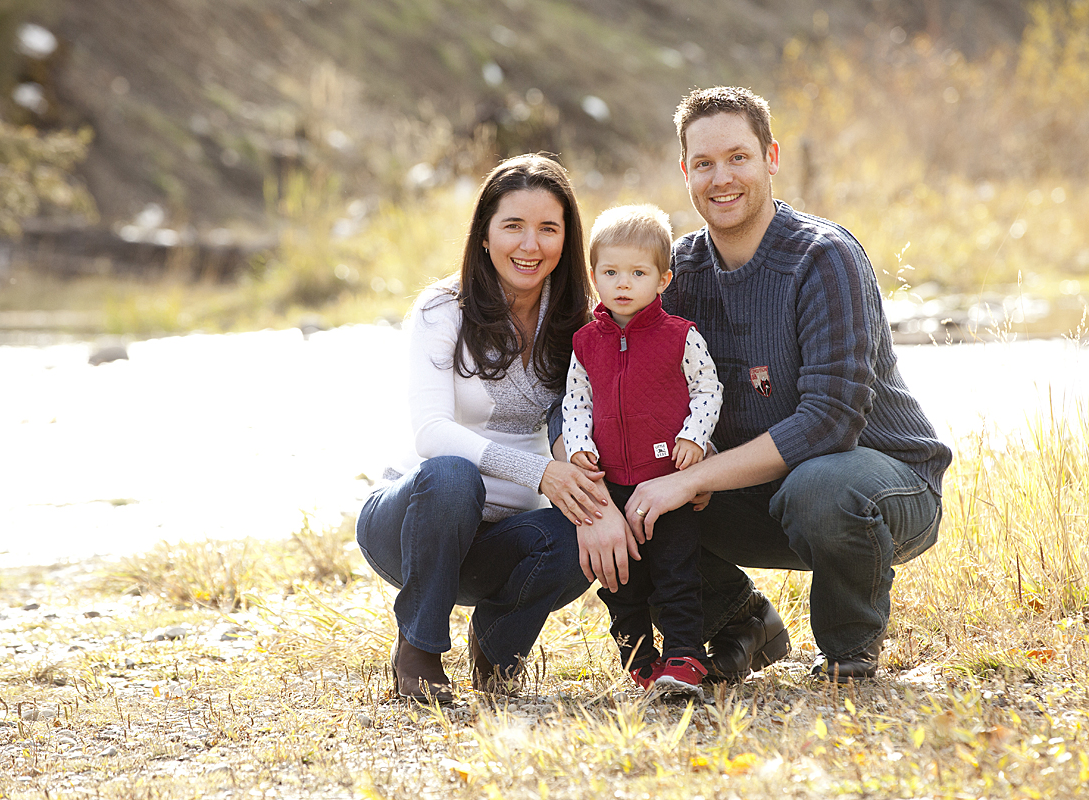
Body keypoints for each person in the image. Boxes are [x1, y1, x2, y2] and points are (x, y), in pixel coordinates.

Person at [610, 86, 952, 682]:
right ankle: (740, 622)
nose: (722, 178)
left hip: (879, 484)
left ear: (771, 157)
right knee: (632, 493)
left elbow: (829, 422)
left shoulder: (824, 259)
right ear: (685, 171)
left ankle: (849, 651)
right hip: (758, 493)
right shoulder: (676, 274)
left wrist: (690, 478)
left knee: (822, 485)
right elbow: (609, 374)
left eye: (738, 157)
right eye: (705, 163)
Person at [356, 153, 614, 703]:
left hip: (504, 538)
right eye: (513, 226)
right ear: (484, 235)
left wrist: (593, 495)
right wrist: (541, 473)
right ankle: (419, 651)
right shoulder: (441, 309)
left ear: (567, 240)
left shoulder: (579, 322)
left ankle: (497, 651)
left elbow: (581, 423)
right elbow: (431, 432)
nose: (530, 244)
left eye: (548, 228)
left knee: (584, 531)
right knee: (452, 475)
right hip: (414, 522)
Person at [561, 205, 722, 697]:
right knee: (620, 580)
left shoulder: (680, 336)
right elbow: (576, 401)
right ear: (594, 277)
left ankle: (685, 658)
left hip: (665, 482)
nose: (623, 283)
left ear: (663, 278)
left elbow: (708, 390)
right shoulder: (586, 342)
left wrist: (694, 437)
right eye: (610, 273)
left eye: (637, 272)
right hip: (612, 483)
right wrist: (579, 449)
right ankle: (639, 661)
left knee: (675, 573)